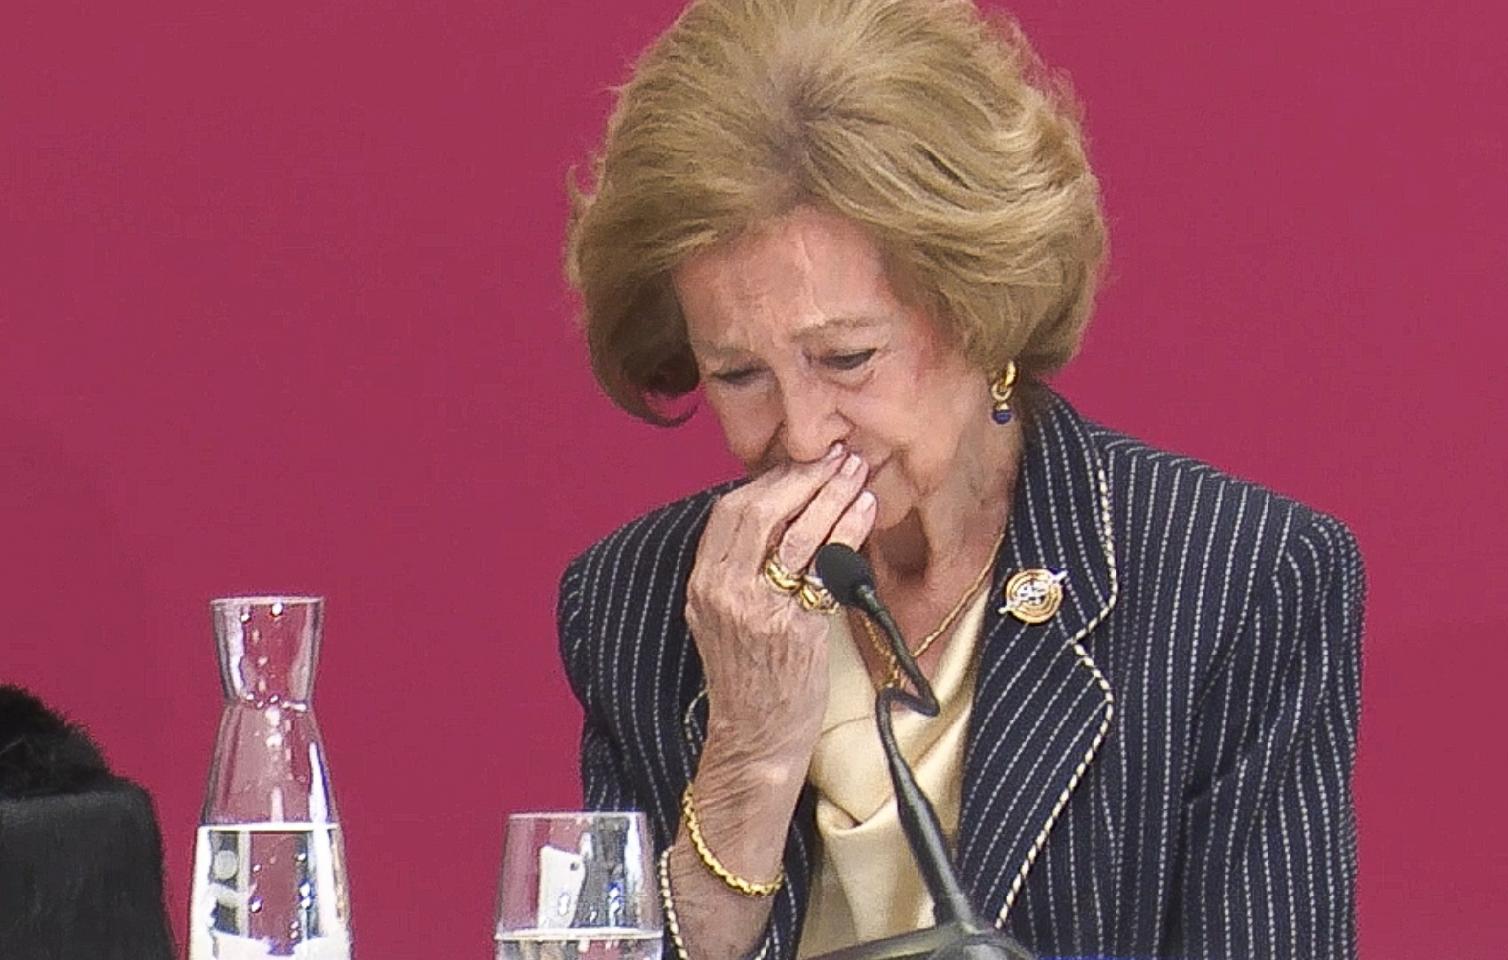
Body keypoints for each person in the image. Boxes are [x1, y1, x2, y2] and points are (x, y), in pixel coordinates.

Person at [556, 2, 1366, 959]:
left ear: (983, 313)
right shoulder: (643, 603)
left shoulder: (1233, 581)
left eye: (849, 357)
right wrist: (749, 752)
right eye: (740, 375)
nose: (805, 432)